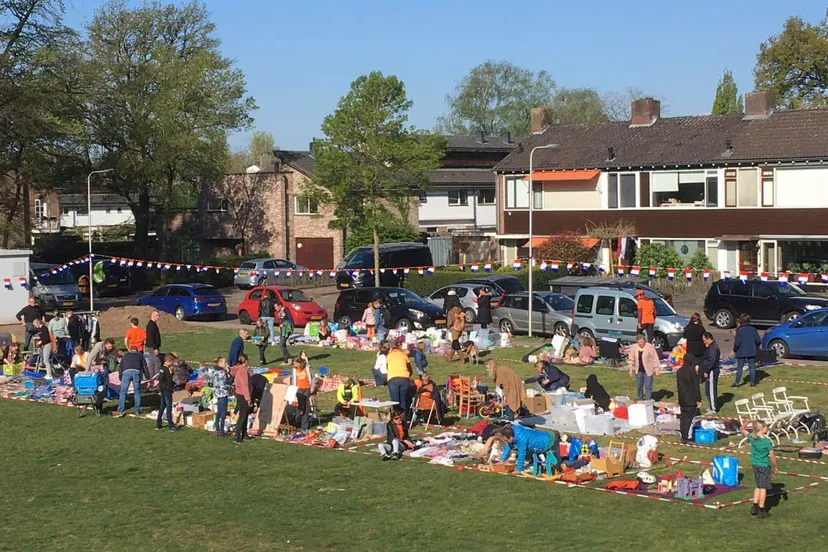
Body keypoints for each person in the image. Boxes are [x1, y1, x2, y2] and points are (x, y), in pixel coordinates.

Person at [740, 420, 779, 519]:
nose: (767, 428)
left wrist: (747, 421)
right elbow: (772, 456)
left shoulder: (752, 437)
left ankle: (754, 506)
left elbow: (742, 429)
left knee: (758, 486)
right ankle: (762, 510)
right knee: (763, 488)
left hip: (755, 465)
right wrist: (776, 466)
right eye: (766, 427)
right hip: (764, 466)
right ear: (762, 429)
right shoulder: (766, 441)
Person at [495, 424, 561, 474]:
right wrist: (502, 460)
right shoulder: (512, 433)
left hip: (550, 441)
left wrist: (518, 469)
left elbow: (522, 454)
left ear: (510, 437)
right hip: (540, 443)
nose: (506, 442)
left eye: (506, 440)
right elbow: (508, 446)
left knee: (557, 462)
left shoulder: (521, 439)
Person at [676, 348, 702, 444]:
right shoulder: (692, 372)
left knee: (683, 418)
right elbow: (696, 387)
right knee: (688, 418)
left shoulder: (679, 371)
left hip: (682, 398)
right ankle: (686, 438)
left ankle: (683, 436)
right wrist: (698, 399)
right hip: (691, 399)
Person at [203, 357, 231, 437]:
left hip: (217, 394)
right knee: (223, 413)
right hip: (223, 394)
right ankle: (221, 431)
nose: (226, 364)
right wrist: (232, 387)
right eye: (225, 362)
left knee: (218, 412)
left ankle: (217, 429)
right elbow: (223, 385)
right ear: (220, 363)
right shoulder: (221, 372)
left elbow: (209, 380)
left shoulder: (214, 371)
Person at [116, 346, 147, 417]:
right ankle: (137, 410)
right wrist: (148, 378)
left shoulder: (125, 355)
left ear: (130, 350)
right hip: (137, 372)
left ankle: (120, 410)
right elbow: (145, 366)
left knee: (123, 392)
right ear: (137, 350)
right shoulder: (140, 355)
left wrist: (120, 377)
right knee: (137, 392)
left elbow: (120, 367)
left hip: (126, 372)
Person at [733, 313, 762, 388]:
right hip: (751, 350)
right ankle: (752, 383)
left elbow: (737, 343)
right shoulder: (753, 329)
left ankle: (736, 383)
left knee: (740, 367)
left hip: (741, 351)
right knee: (752, 367)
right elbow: (758, 340)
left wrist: (735, 349)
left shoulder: (739, 330)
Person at [628, 333, 660, 401]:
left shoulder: (649, 347)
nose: (641, 344)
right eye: (639, 342)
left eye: (642, 342)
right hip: (639, 370)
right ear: (637, 342)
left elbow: (655, 358)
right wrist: (631, 369)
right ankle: (640, 398)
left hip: (648, 370)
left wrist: (657, 368)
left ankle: (648, 400)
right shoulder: (634, 347)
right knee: (639, 385)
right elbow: (631, 359)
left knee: (648, 386)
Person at [386, 344, 412, 421]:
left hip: (393, 379)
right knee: (403, 400)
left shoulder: (389, 356)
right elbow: (410, 369)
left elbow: (387, 367)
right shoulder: (404, 355)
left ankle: (397, 419)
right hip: (404, 378)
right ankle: (404, 419)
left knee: (395, 401)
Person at [230, 354, 252, 444]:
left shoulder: (238, 370)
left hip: (240, 394)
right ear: (245, 361)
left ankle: (244, 434)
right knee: (242, 416)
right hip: (243, 396)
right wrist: (248, 398)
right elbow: (245, 386)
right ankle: (237, 436)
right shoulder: (243, 371)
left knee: (245, 415)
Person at [291, 357, 316, 430]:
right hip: (298, 389)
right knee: (299, 407)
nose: (295, 366)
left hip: (306, 389)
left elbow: (312, 378)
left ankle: (304, 426)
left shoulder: (307, 368)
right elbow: (293, 379)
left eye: (296, 364)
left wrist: (312, 388)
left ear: (300, 363)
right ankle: (297, 422)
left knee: (305, 407)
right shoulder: (294, 369)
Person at [699, 332, 721, 414]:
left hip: (712, 371)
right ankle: (711, 405)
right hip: (710, 370)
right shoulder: (712, 347)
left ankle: (713, 408)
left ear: (708, 339)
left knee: (711, 389)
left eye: (704, 340)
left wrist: (706, 370)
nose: (704, 342)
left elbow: (711, 361)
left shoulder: (713, 348)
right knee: (707, 389)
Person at [156, 351, 177, 432]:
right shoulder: (164, 369)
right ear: (169, 361)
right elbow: (163, 380)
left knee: (163, 405)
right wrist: (167, 387)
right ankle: (170, 425)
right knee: (168, 407)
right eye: (172, 362)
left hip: (165, 389)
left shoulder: (165, 368)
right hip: (166, 390)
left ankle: (158, 423)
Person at [145, 310, 162, 378]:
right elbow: (150, 337)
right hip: (152, 347)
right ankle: (156, 379)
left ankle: (151, 377)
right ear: (152, 316)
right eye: (157, 316)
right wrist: (155, 348)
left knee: (151, 363)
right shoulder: (150, 325)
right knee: (157, 363)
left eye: (158, 316)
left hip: (153, 346)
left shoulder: (153, 324)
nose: (158, 317)